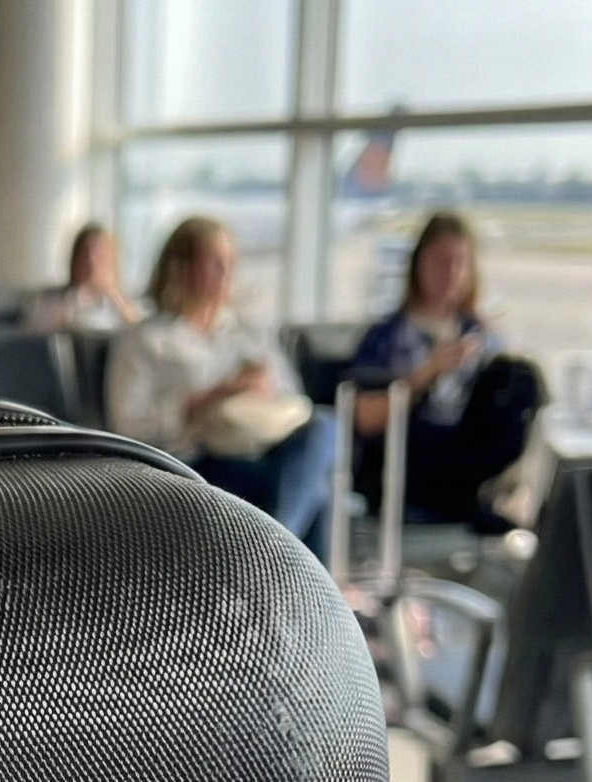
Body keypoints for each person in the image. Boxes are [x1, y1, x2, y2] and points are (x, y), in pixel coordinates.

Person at [106, 215, 335, 559]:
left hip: (261, 448)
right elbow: (126, 424)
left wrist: (263, 389)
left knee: (324, 427)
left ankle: (274, 560)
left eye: (230, 263)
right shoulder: (146, 339)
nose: (226, 273)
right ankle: (288, 569)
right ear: (181, 268)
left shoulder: (249, 333)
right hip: (197, 458)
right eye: (214, 264)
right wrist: (213, 396)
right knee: (314, 489)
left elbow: (293, 401)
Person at [349, 212, 541, 524]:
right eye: (440, 262)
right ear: (418, 266)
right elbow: (364, 419)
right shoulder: (387, 337)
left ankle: (509, 491)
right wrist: (427, 373)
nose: (450, 273)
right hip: (406, 458)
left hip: (468, 452)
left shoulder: (479, 335)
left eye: (460, 262)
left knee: (519, 376)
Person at [28, 224, 142, 333]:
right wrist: (70, 306)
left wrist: (116, 299)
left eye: (100, 257)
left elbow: (142, 333)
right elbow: (32, 337)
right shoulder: (49, 300)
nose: (92, 264)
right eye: (85, 256)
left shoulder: (132, 304)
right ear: (74, 261)